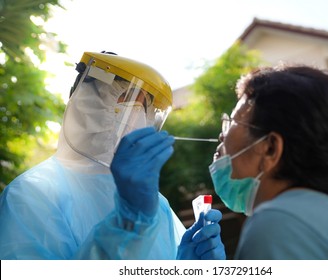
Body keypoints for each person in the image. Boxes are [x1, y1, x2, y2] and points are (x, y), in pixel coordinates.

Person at [0, 51, 225, 260]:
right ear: (88, 106)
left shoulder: (155, 204)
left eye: (143, 108)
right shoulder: (31, 194)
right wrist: (128, 223)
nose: (136, 117)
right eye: (126, 101)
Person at [209, 64, 328, 259]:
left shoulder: (278, 223)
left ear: (270, 148)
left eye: (233, 122)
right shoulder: (316, 219)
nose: (222, 136)